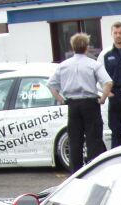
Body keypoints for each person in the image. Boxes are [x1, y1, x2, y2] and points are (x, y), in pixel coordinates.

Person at [47, 32, 112, 172]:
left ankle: (75, 172)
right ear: (87, 47)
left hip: (73, 105)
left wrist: (61, 100)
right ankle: (94, 169)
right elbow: (108, 82)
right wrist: (103, 98)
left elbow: (51, 85)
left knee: (75, 140)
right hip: (90, 104)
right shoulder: (93, 65)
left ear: (72, 47)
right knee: (93, 139)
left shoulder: (63, 65)